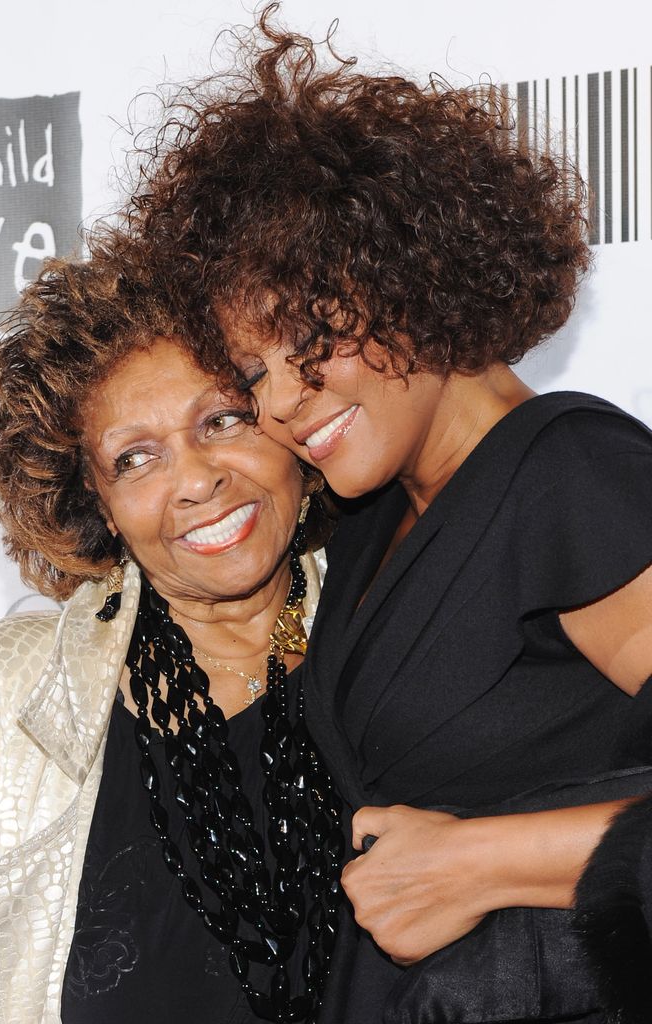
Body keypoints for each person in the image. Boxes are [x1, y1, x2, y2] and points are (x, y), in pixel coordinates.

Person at [120, 12, 652, 1023]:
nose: (281, 401)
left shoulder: (571, 476)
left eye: (311, 336)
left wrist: (482, 861)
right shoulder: (369, 520)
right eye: (253, 371)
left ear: (418, 269)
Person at [0, 256, 344, 1024]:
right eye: (135, 458)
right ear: (101, 505)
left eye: (223, 420)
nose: (196, 479)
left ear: (290, 430)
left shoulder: (400, 633)